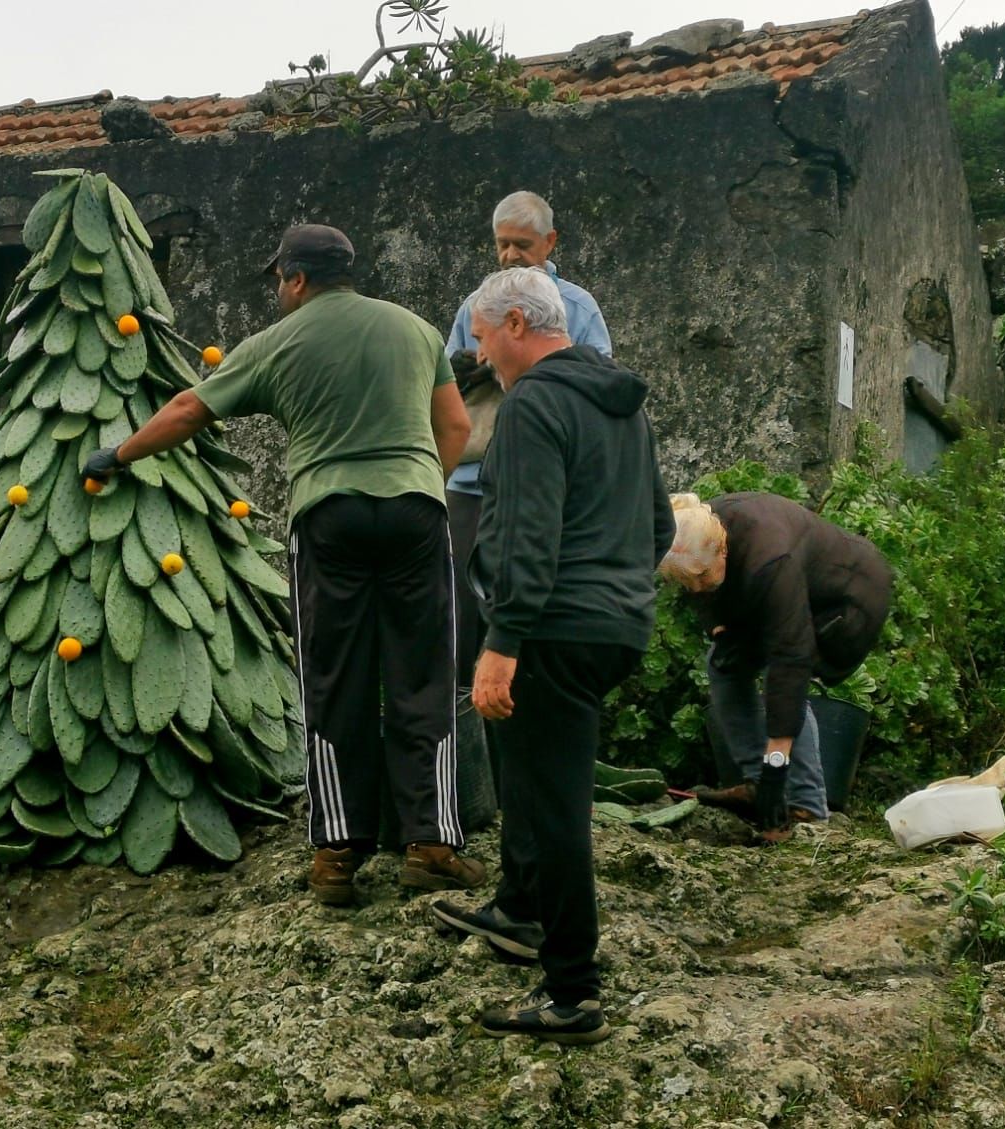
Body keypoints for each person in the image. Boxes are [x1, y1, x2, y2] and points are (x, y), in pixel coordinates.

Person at [80, 224, 485, 905]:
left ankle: (337, 855)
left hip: (328, 517)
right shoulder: (416, 331)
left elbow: (188, 410)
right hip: (416, 513)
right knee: (424, 672)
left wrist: (118, 455)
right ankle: (432, 843)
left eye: (279, 279)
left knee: (335, 678)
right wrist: (417, 481)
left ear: (296, 278)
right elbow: (455, 427)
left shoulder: (274, 344)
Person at [430, 267, 673, 1045]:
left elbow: (527, 537)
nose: (473, 349)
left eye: (478, 330)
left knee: (555, 803)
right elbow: (661, 527)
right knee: (526, 772)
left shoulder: (534, 403)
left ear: (513, 323)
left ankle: (574, 990)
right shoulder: (619, 404)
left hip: (552, 628)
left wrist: (502, 642)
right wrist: (618, 588)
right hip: (611, 624)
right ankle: (521, 908)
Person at [445, 190, 613, 686]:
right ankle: (462, 726)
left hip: (546, 480)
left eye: (522, 243)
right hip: (473, 481)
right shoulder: (475, 305)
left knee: (533, 604)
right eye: (502, 244)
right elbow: (445, 384)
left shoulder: (578, 307)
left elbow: (596, 381)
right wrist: (468, 367)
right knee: (460, 613)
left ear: (550, 242)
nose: (511, 255)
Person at [658, 492, 893, 840]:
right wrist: (716, 621)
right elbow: (699, 583)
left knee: (782, 676)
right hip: (781, 589)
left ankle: (808, 807)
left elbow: (790, 661)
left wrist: (776, 767)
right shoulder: (696, 526)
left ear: (723, 549)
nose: (695, 587)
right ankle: (755, 786)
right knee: (723, 663)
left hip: (848, 597)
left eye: (702, 576)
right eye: (686, 581)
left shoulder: (770, 558)